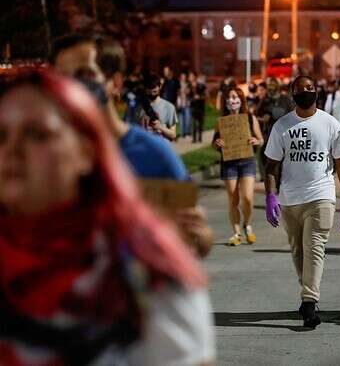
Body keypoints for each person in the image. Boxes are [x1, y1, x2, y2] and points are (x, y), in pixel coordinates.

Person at [0, 70, 215, 365]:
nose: (12, 150)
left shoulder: (150, 276)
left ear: (86, 152)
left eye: (37, 134)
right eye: (1, 136)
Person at [50, 34, 213, 258]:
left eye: (85, 74)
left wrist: (199, 234)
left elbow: (195, 243)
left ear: (115, 81)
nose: (73, 86)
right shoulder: (47, 157)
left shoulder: (153, 153)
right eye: (62, 77)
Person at [264, 75, 340, 328]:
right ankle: (309, 296)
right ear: (292, 94)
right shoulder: (282, 126)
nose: (306, 91)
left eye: (310, 87)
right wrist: (271, 196)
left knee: (315, 247)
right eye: (300, 89)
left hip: (321, 196)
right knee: (299, 253)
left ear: (317, 92)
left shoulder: (329, 123)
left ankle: (309, 301)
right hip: (290, 199)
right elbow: (271, 164)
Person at [213, 87, 264, 246]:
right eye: (229, 97)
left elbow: (261, 139)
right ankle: (236, 233)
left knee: (248, 198)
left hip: (247, 160)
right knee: (233, 199)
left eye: (235, 97)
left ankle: (247, 225)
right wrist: (217, 143)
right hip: (229, 163)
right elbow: (214, 143)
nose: (232, 100)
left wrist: (256, 141)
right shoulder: (222, 121)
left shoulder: (250, 118)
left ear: (241, 100)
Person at [137, 75, 178, 141]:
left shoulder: (169, 107)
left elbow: (173, 135)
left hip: (162, 148)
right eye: (149, 91)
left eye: (154, 91)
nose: (152, 93)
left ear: (160, 87)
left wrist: (160, 127)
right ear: (146, 89)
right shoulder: (140, 106)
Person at [191, 77, 206, 143]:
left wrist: (199, 97)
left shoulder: (202, 88)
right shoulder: (192, 90)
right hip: (195, 109)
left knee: (200, 124)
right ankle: (194, 138)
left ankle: (200, 137)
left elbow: (204, 96)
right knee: (194, 124)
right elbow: (191, 98)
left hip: (201, 109)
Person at [177, 71, 192, 138]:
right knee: (181, 120)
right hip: (180, 104)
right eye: (182, 77)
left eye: (184, 77)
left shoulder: (188, 84)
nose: (183, 78)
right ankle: (182, 133)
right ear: (180, 77)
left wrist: (186, 91)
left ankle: (187, 133)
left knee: (188, 119)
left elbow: (189, 92)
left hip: (187, 104)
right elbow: (177, 93)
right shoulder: (178, 84)